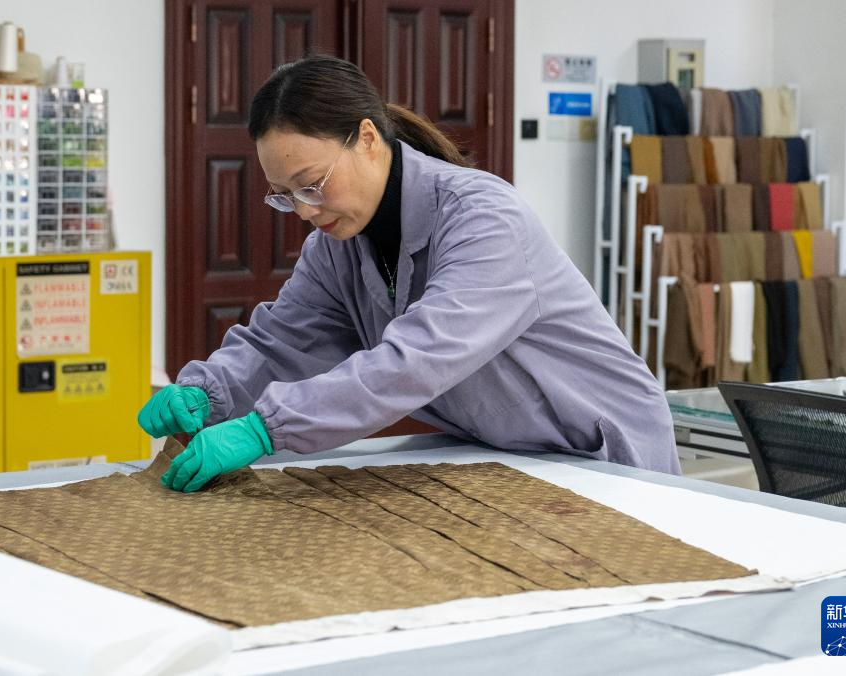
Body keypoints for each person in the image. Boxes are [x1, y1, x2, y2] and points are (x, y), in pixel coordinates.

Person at [140, 54, 678, 493]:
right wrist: (210, 391)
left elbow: (415, 359)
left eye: (311, 184)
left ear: (367, 138)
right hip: (513, 458)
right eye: (285, 196)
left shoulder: (484, 219)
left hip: (602, 457)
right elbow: (283, 341)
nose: (303, 210)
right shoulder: (336, 247)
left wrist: (268, 427)